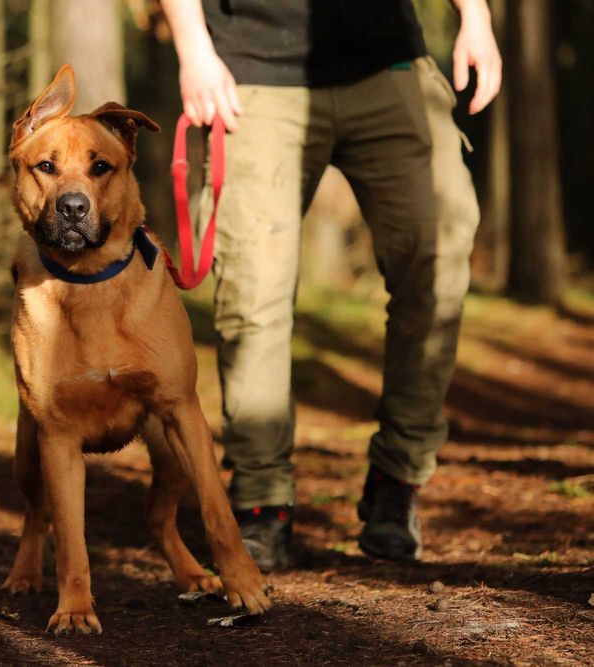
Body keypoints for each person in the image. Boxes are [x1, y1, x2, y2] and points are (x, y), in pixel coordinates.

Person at [158, 0, 502, 567]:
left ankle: (399, 481)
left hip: (390, 68)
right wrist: (192, 47)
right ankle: (261, 503)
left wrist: (476, 18)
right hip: (254, 76)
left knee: (437, 264)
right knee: (253, 292)